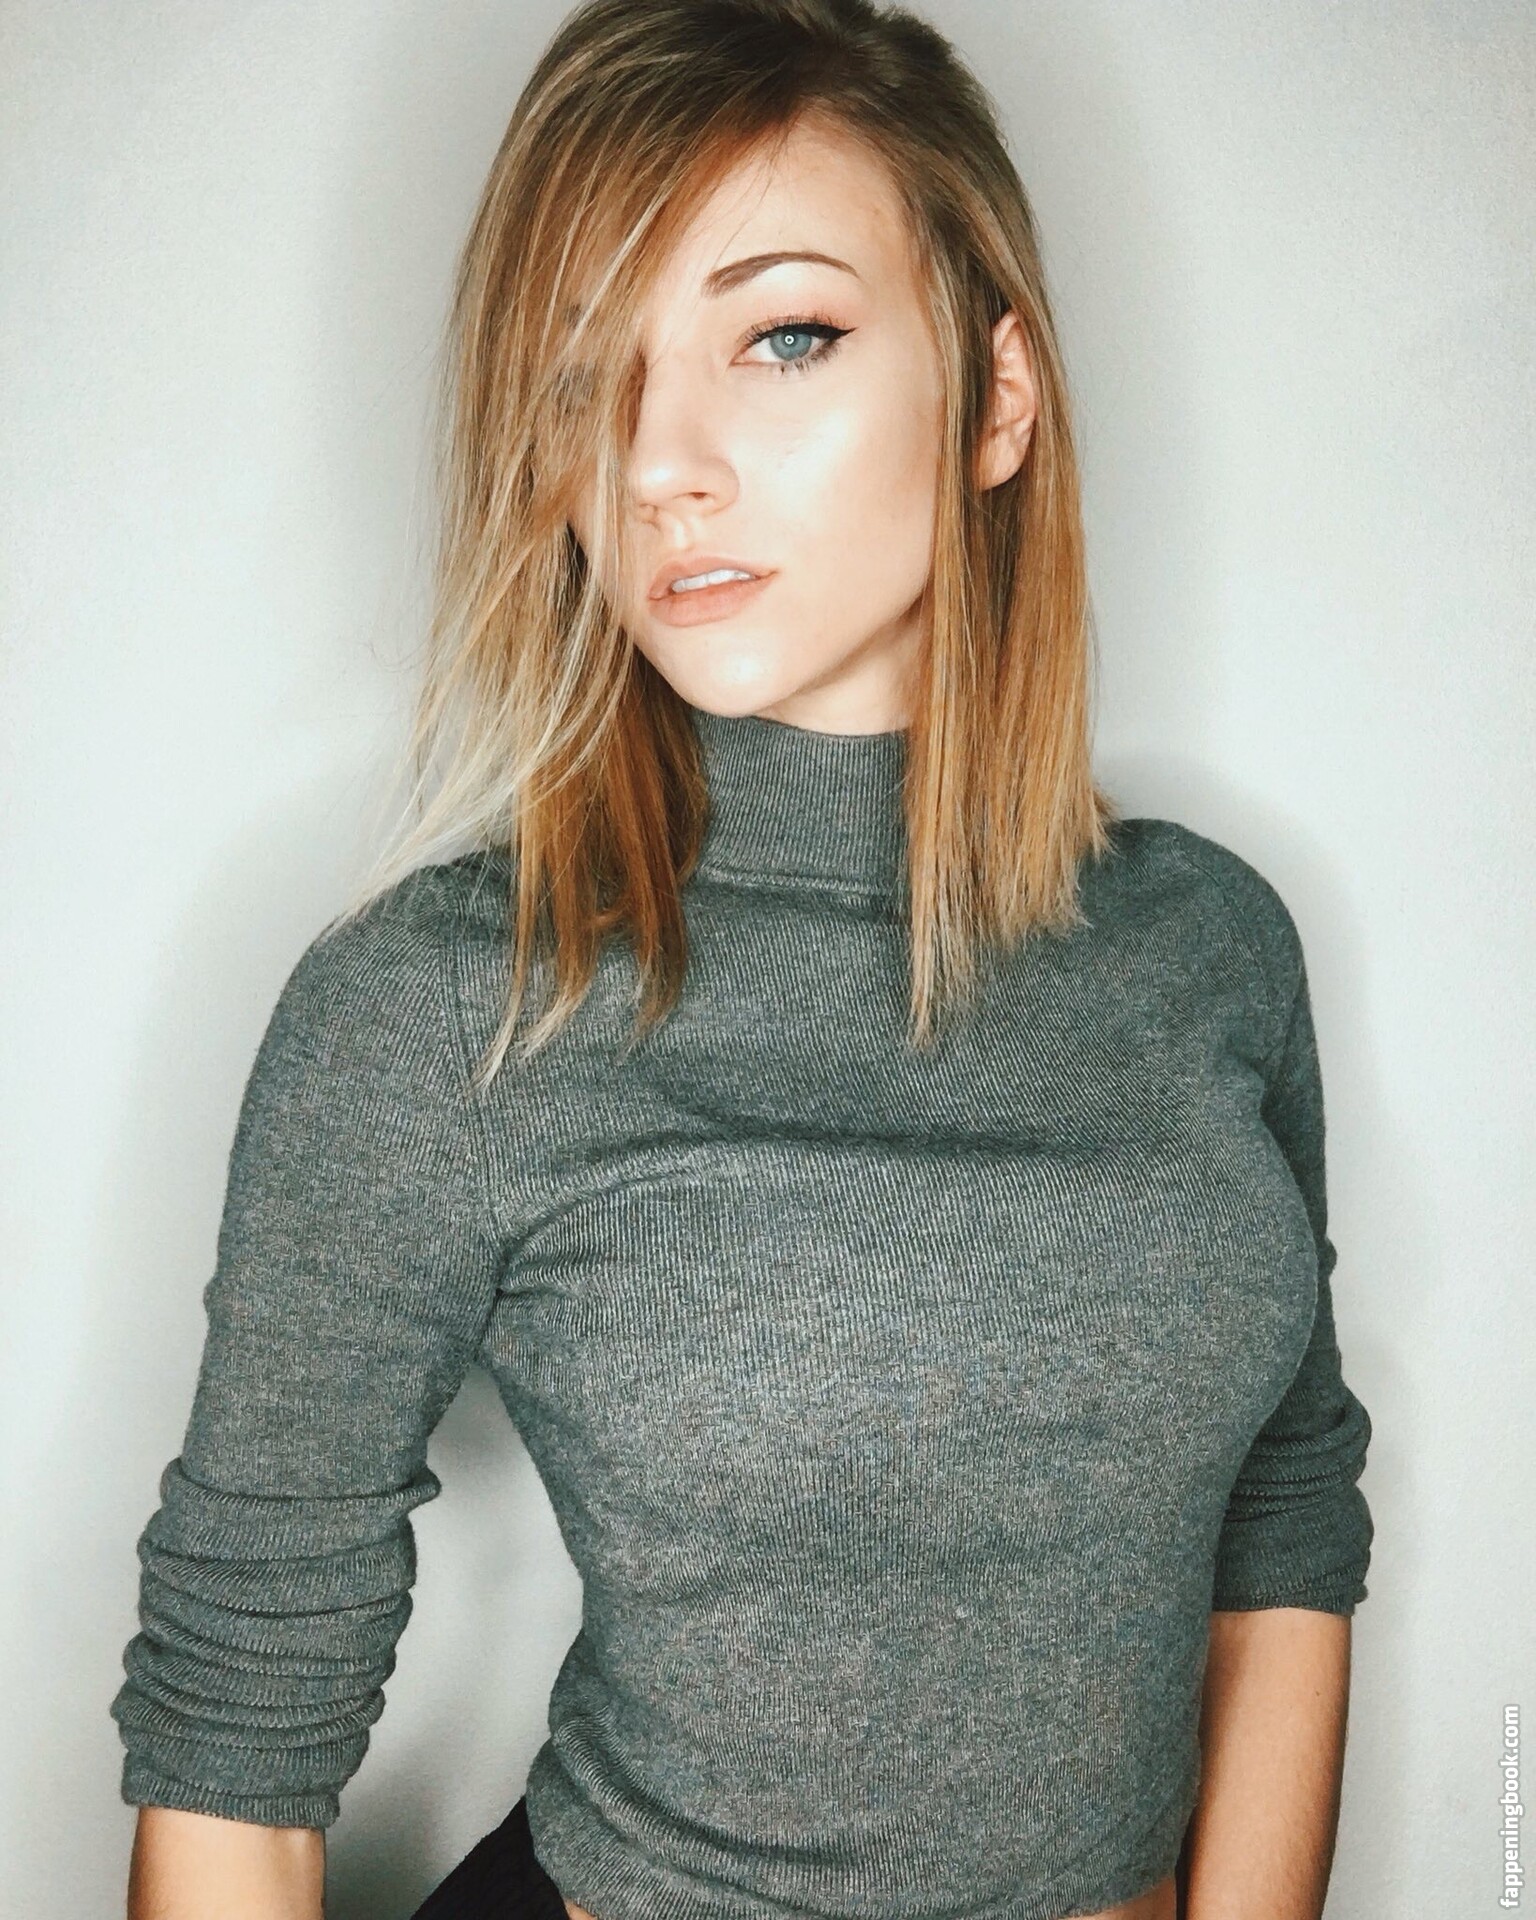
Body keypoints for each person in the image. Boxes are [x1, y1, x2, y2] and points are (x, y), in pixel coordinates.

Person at [112, 1, 1376, 1916]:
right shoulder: (447, 1003)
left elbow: (1286, 1518)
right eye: (583, 376)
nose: (656, 463)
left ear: (999, 396)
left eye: (783, 337)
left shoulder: (1210, 946)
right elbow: (235, 1736)